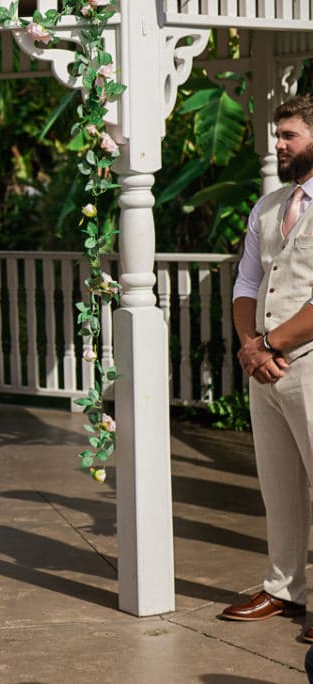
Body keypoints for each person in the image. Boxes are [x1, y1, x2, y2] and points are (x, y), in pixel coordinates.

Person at [221, 95, 313, 643]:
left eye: (289, 136)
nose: (277, 145)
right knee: (276, 484)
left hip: (306, 362)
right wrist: (253, 347)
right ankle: (283, 589)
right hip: (268, 366)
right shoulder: (268, 205)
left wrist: (269, 344)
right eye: (276, 135)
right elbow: (247, 283)